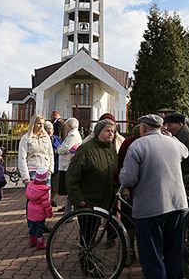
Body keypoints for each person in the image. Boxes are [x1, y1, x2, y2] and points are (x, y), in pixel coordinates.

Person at [119, 114, 189, 279]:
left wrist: (122, 175)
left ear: (143, 127)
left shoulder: (138, 145)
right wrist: (171, 137)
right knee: (173, 252)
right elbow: (185, 153)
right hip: (177, 204)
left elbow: (129, 178)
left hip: (150, 207)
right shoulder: (174, 143)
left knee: (152, 255)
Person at [66, 119, 119, 277]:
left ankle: (91, 261)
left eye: (113, 131)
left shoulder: (111, 149)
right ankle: (87, 265)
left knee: (95, 235)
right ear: (98, 132)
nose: (111, 134)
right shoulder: (86, 150)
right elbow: (72, 177)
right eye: (108, 131)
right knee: (87, 235)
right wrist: (79, 200)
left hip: (106, 199)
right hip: (88, 200)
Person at [117, 124, 141, 266]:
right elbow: (122, 165)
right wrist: (124, 186)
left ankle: (133, 250)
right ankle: (130, 250)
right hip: (131, 188)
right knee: (128, 220)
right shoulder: (128, 143)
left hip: (143, 189)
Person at [55, 117, 82, 215]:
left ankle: (69, 212)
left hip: (67, 165)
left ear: (70, 126)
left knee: (69, 189)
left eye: (66, 126)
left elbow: (65, 148)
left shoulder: (72, 135)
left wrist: (58, 149)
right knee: (69, 189)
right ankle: (68, 210)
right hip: (67, 164)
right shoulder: (73, 134)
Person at [18, 114, 54, 185]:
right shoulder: (26, 138)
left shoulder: (46, 137)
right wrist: (25, 178)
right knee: (33, 195)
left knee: (45, 195)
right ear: (33, 124)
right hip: (32, 170)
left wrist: (50, 170)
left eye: (43, 124)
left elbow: (50, 154)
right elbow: (22, 158)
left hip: (45, 171)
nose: (41, 126)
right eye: (39, 123)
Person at [25, 167, 53, 250]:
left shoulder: (30, 187)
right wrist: (49, 213)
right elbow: (46, 204)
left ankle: (33, 241)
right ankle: (40, 243)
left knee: (32, 227)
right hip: (40, 213)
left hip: (30, 211)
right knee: (39, 229)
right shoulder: (43, 191)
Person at [44, 120, 62, 207]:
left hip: (56, 165)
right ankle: (46, 202)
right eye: (48, 129)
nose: (50, 131)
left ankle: (51, 200)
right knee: (46, 187)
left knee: (55, 187)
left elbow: (61, 147)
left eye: (51, 129)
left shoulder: (56, 138)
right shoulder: (43, 139)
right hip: (46, 166)